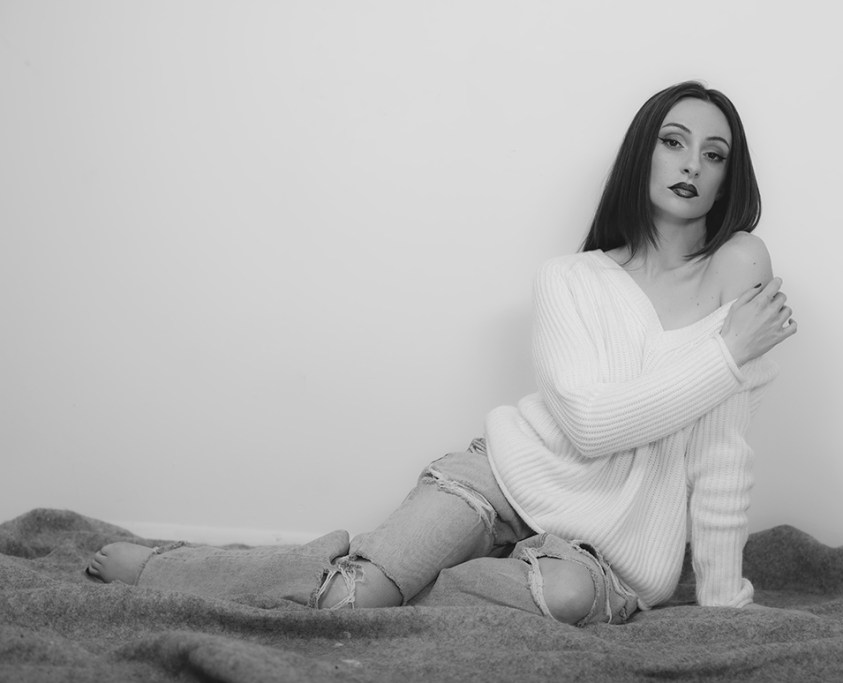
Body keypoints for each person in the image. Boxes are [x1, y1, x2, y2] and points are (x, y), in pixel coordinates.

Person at [87, 80, 796, 626]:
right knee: (350, 601)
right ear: (642, 152)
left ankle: (393, 577)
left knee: (567, 595)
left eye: (714, 154)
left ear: (727, 177)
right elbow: (588, 425)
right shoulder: (570, 279)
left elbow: (722, 455)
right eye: (674, 142)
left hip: (603, 552)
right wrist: (725, 356)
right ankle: (171, 569)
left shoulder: (737, 275)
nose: (692, 164)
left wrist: (724, 601)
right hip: (504, 478)